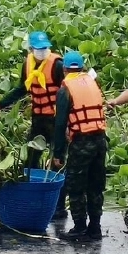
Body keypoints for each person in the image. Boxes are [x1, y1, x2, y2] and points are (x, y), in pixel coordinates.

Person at [52, 52, 108, 240]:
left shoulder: (65, 89)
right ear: (82, 68)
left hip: (82, 142)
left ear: (65, 69)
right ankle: (95, 227)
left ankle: (79, 227)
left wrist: (58, 153)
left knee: (76, 186)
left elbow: (60, 124)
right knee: (95, 185)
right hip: (100, 140)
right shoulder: (93, 82)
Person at [0, 31, 68, 171]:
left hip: (56, 118)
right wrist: (0, 104)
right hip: (38, 118)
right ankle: (33, 183)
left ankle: (58, 189)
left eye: (44, 48)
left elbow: (68, 93)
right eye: (38, 49)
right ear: (31, 49)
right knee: (32, 156)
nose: (42, 51)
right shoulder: (27, 64)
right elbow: (22, 88)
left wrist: (68, 122)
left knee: (58, 158)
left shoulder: (57, 65)